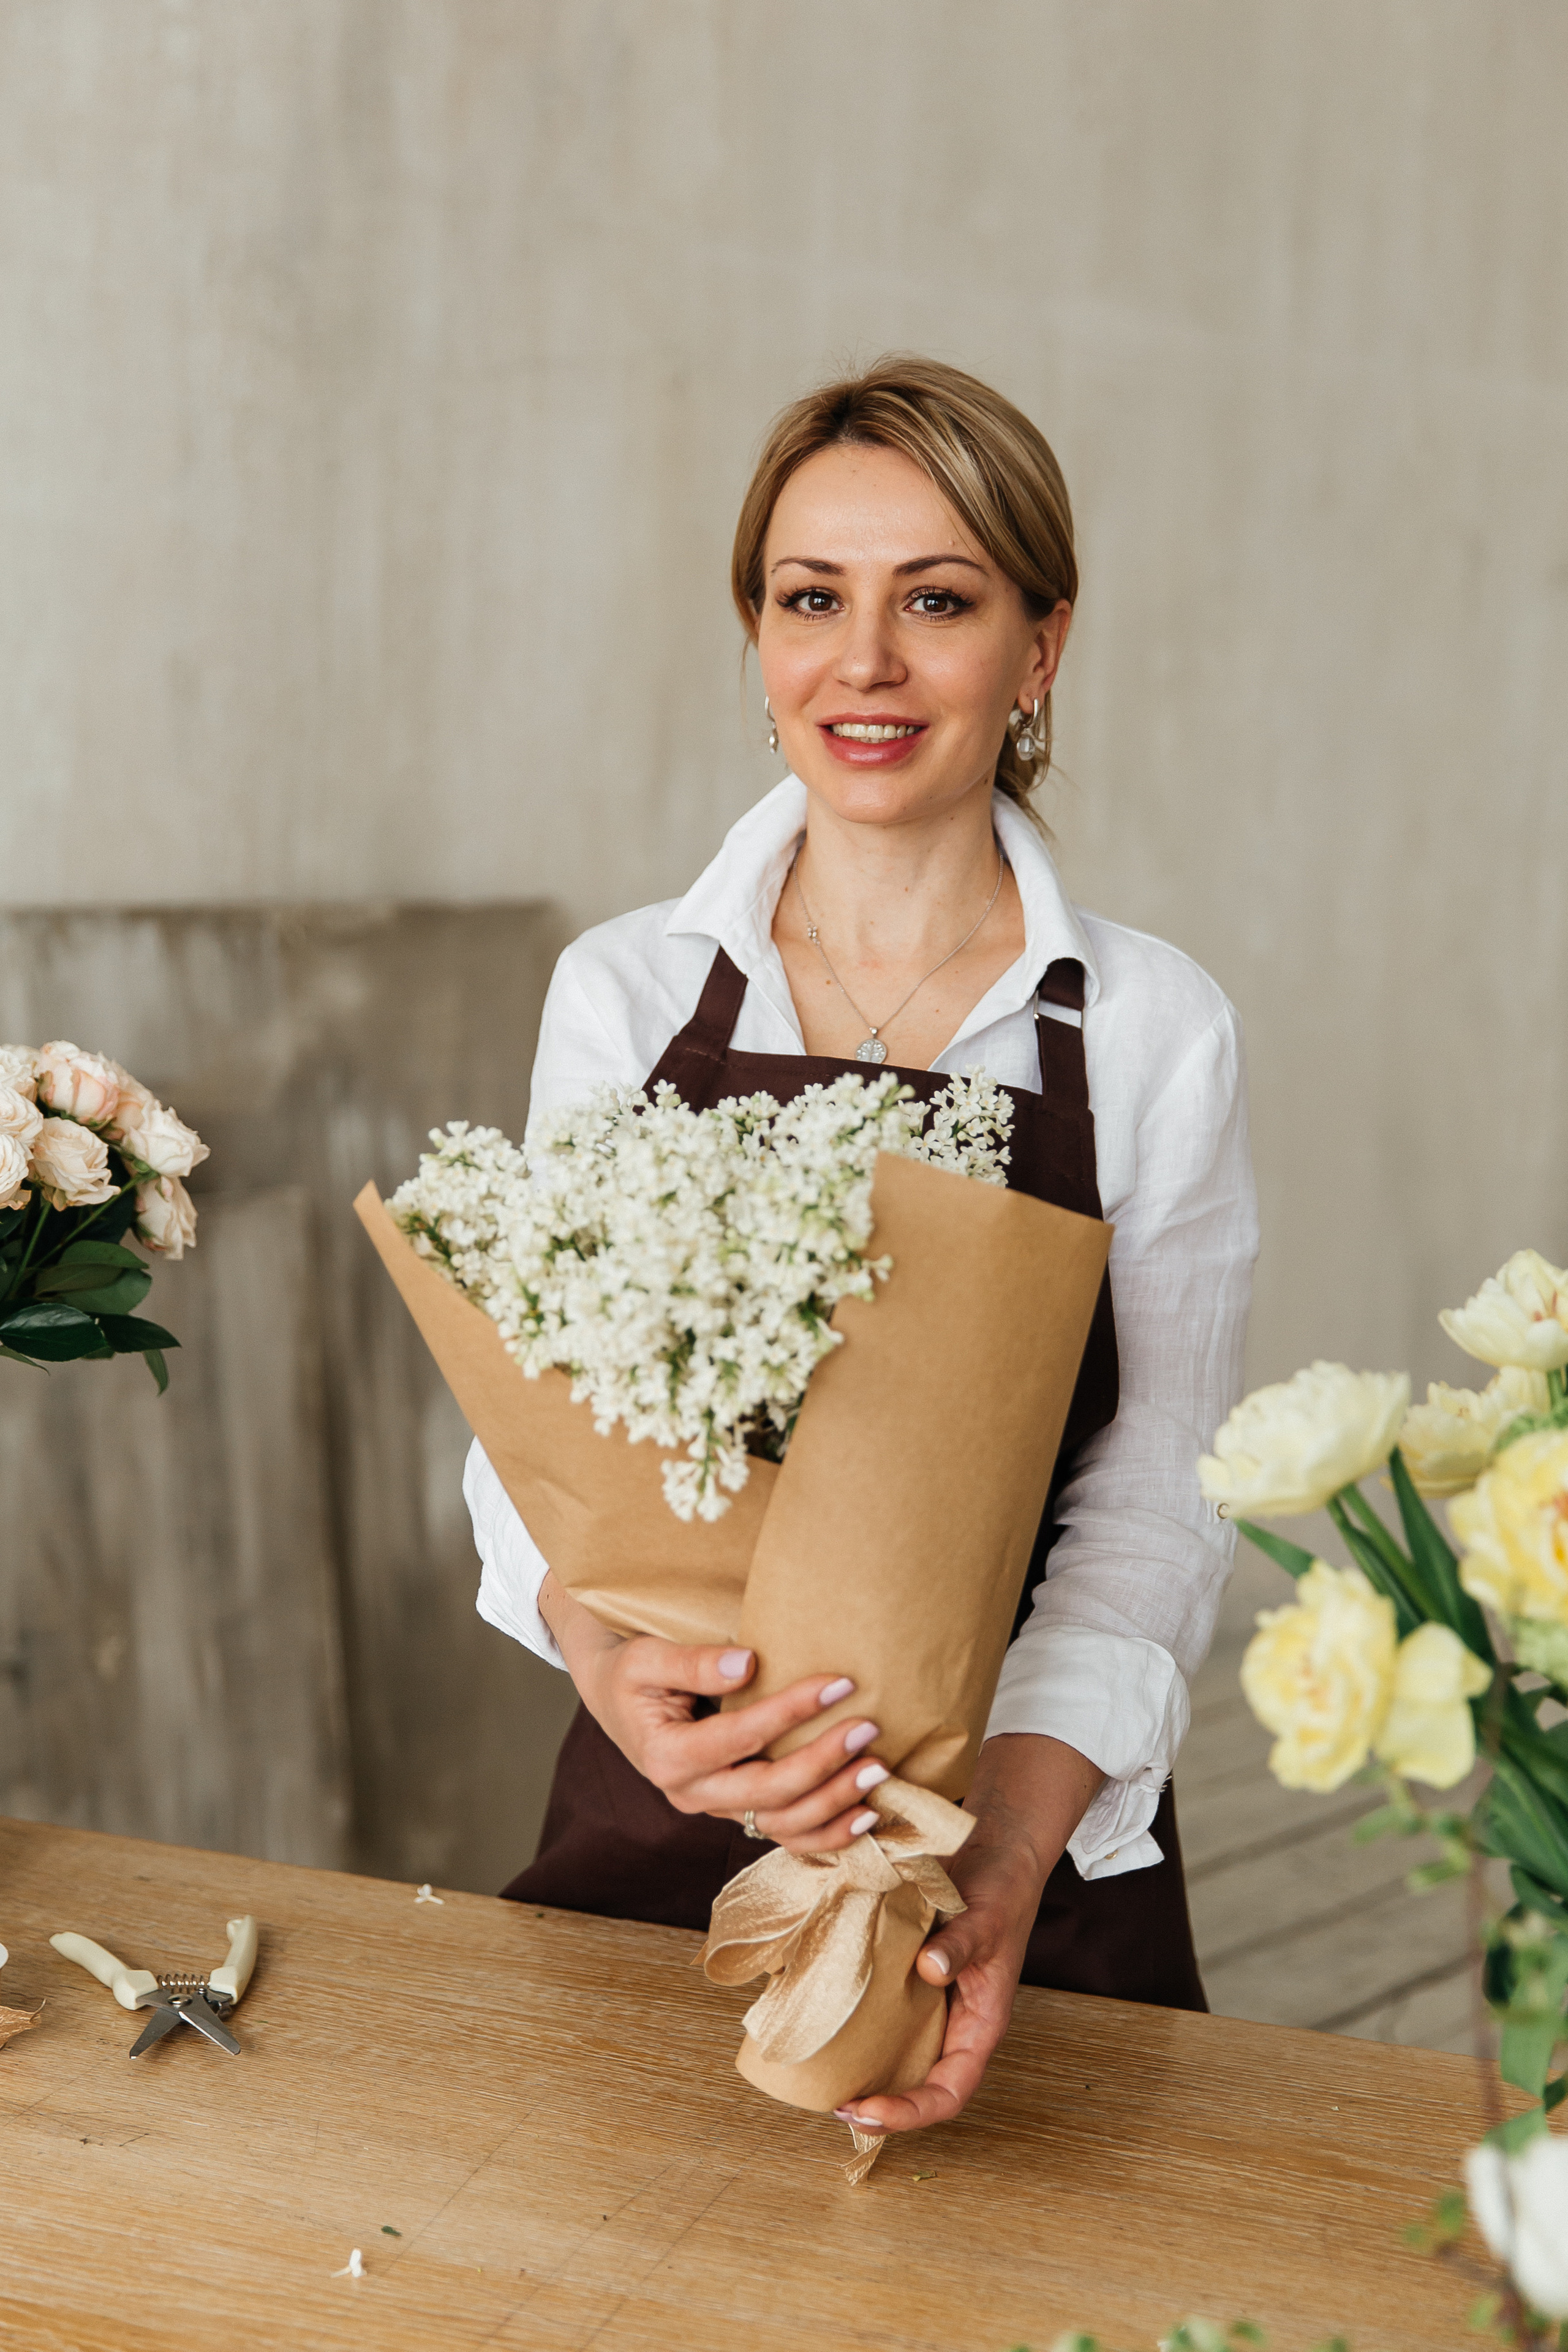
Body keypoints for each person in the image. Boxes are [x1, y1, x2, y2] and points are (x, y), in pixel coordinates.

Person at [466, 355, 1257, 2141]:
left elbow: (1159, 1484)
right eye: (813, 598)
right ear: (757, 635)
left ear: (1039, 650)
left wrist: (999, 1862)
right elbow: (536, 1423)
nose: (867, 663)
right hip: (668, 1819)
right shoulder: (630, 994)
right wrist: (614, 1671)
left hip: (1022, 1868)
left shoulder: (1146, 1030)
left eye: (941, 601)